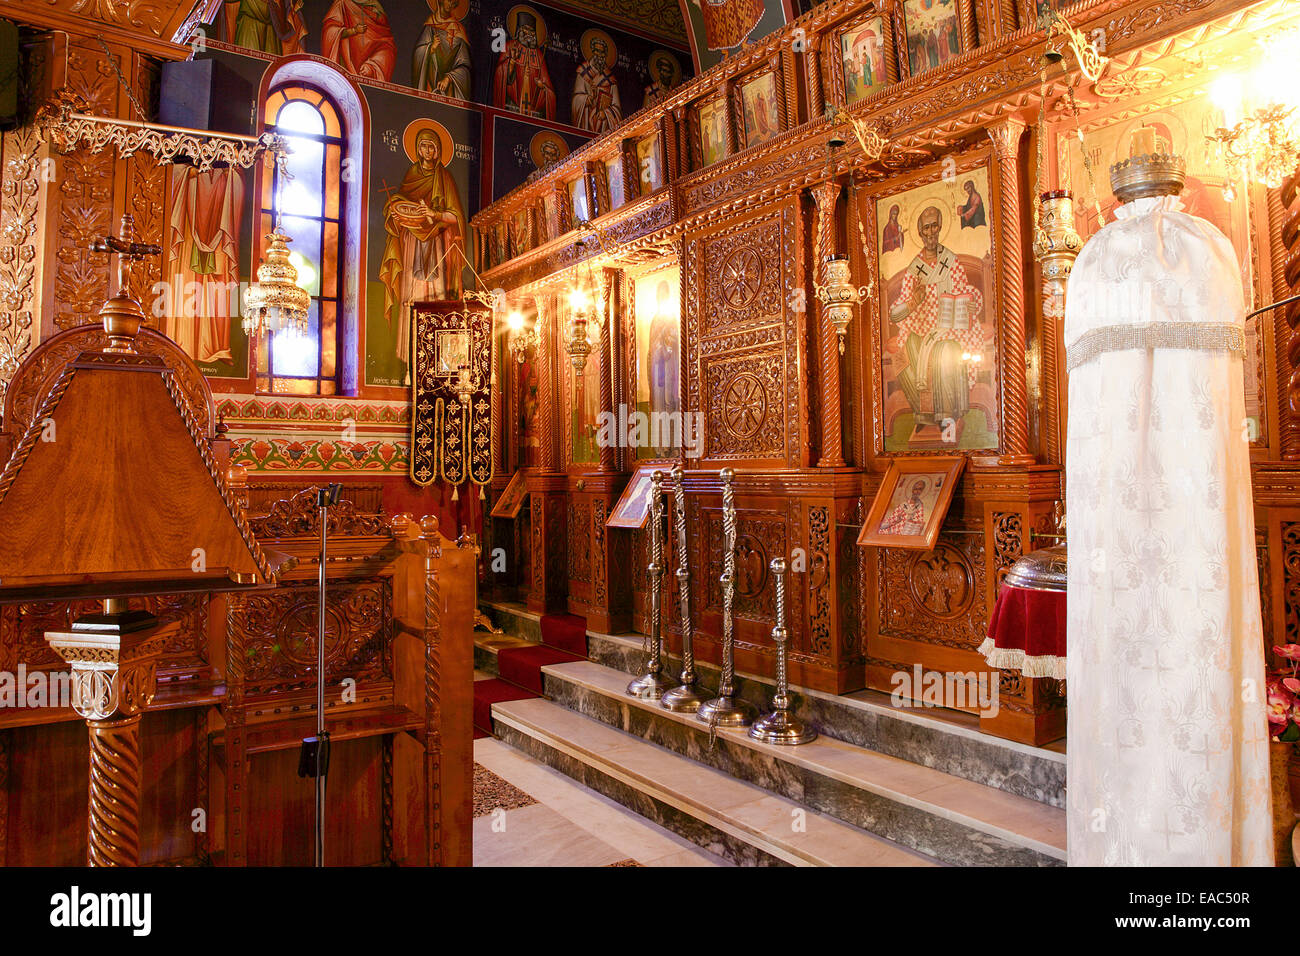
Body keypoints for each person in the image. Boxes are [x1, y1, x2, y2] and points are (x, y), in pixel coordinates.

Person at [887, 205, 984, 429]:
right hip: (921, 328)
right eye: (926, 228)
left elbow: (968, 294)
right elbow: (896, 312)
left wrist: (970, 304)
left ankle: (945, 414)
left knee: (942, 351)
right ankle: (923, 413)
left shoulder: (951, 262)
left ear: (940, 228)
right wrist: (914, 301)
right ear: (920, 233)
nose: (931, 233)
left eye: (934, 227)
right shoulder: (914, 269)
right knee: (904, 355)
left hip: (951, 328)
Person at [378, 127, 467, 368]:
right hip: (411, 245)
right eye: (423, 146)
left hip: (436, 245)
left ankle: (438, 359)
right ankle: (409, 356)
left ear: (438, 150)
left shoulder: (445, 178)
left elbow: (455, 217)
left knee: (434, 293)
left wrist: (433, 213)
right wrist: (396, 213)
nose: (427, 151)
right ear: (417, 149)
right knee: (411, 295)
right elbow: (400, 203)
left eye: (431, 146)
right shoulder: (411, 174)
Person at [491, 9, 556, 120]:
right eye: (526, 30)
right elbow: (499, 73)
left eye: (532, 31)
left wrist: (543, 87)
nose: (529, 34)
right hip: (511, 105)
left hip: (533, 111)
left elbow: (548, 87)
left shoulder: (539, 55)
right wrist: (511, 62)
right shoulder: (510, 46)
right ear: (519, 31)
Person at [322, 0, 396, 82]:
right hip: (349, 62)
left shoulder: (375, 7)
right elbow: (330, 32)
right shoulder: (342, 3)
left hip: (372, 59)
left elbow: (387, 43)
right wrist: (354, 30)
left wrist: (373, 66)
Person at [413, 0, 471, 99]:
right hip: (430, 88)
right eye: (448, 0)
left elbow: (465, 66)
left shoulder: (459, 31)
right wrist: (430, 48)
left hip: (449, 91)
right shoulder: (430, 27)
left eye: (453, 2)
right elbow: (417, 55)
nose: (451, 4)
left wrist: (449, 78)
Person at [572, 34, 621, 133]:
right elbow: (576, 99)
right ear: (592, 51)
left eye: (602, 52)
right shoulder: (583, 72)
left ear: (605, 54)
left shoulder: (611, 80)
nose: (599, 55)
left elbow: (617, 108)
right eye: (596, 51)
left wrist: (606, 113)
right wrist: (587, 99)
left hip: (603, 125)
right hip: (585, 122)